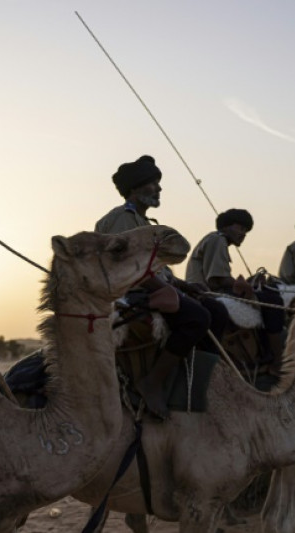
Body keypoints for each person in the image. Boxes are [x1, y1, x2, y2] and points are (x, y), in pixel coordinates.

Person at [95, 155, 225, 419]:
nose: (159, 189)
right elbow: (130, 268)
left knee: (216, 310)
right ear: (134, 188)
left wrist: (183, 285)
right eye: (153, 183)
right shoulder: (122, 219)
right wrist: (171, 290)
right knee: (197, 317)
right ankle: (152, 382)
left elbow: (155, 269)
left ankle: (196, 383)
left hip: (149, 286)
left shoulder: (143, 223)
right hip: (127, 292)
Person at [185, 208, 287, 365]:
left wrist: (248, 283)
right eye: (240, 228)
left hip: (210, 292)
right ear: (225, 227)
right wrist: (247, 286)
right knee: (273, 301)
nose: (243, 233)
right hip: (209, 294)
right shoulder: (218, 240)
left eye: (246, 231)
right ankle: (276, 360)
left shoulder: (215, 240)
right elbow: (216, 281)